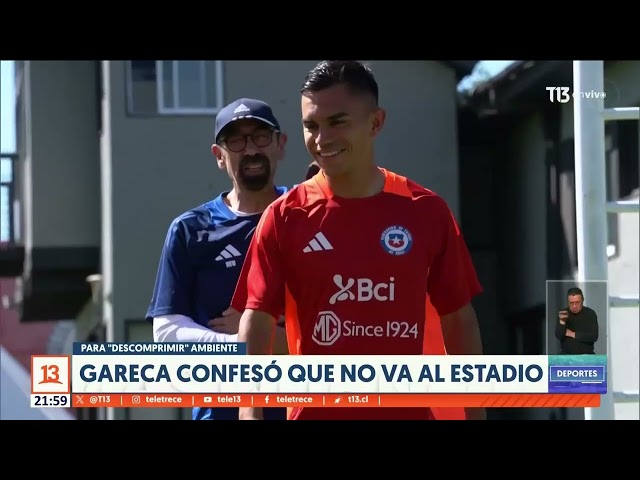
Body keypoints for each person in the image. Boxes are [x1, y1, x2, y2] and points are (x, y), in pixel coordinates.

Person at [231, 60, 485, 421]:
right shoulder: (285, 216)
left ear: (375, 122)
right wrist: (249, 412)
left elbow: (459, 319)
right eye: (311, 126)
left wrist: (475, 412)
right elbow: (256, 321)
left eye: (337, 122)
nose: (321, 140)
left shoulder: (425, 211)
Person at [145, 97, 291, 421]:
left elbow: (337, 331)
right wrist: (242, 339)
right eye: (236, 140)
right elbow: (168, 333)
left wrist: (256, 332)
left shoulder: (308, 217)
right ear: (219, 156)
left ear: (280, 144)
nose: (250, 149)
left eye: (260, 136)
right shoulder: (189, 230)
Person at [554, 287, 599, 354]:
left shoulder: (590, 313)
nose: (574, 306)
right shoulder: (563, 313)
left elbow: (594, 337)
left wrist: (572, 334)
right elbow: (558, 336)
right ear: (568, 302)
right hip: (566, 355)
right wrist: (562, 322)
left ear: (582, 300)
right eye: (571, 303)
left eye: (577, 302)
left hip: (586, 355)